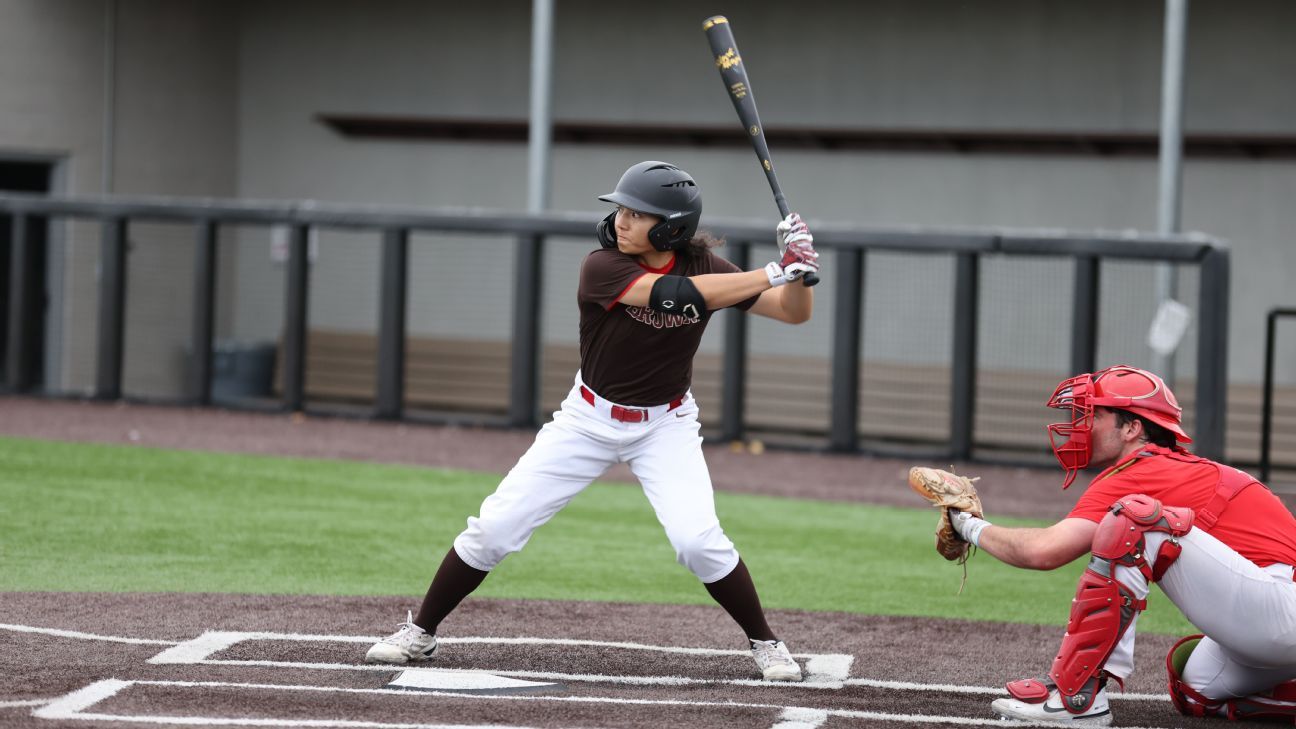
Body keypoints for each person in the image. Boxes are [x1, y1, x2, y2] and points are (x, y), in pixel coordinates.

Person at [364, 160, 820, 681]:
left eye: (637, 213)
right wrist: (772, 269)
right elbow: (673, 296)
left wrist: (800, 272)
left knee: (697, 541)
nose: (621, 221)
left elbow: (793, 312)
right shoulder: (602, 266)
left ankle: (767, 642)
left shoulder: (707, 267)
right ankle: (420, 632)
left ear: (671, 226)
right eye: (621, 209)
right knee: (495, 527)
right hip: (587, 418)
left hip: (665, 425)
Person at [945, 365, 1296, 725]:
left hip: (1282, 611)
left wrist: (967, 525)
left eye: (1093, 414)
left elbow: (1044, 551)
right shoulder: (1168, 467)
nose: (1081, 424)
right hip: (1274, 615)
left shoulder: (1146, 470)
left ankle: (1078, 698)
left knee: (1136, 520)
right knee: (1198, 689)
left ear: (1132, 428)